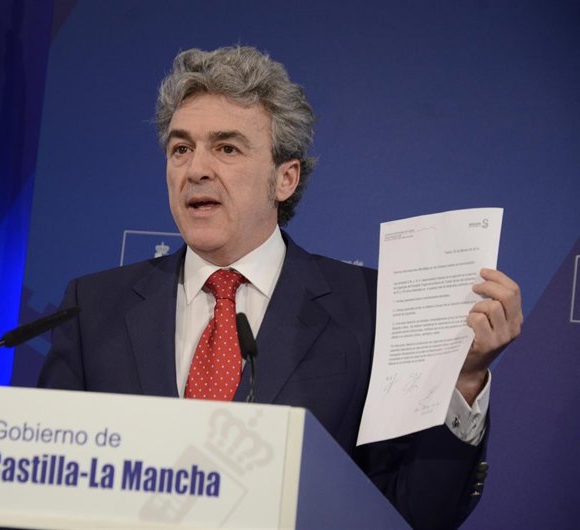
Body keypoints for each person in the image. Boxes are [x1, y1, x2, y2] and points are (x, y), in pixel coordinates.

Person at [38, 46, 523, 529]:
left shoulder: (373, 310)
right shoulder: (92, 309)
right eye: (181, 149)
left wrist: (463, 380)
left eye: (226, 148)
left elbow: (415, 514)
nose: (196, 169)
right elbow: (44, 490)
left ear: (285, 179)